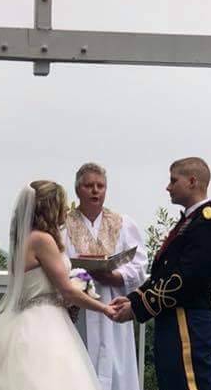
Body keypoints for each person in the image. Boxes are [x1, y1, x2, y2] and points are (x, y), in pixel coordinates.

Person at [0, 180, 115, 390]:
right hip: (43, 323)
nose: (67, 208)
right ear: (52, 207)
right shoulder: (42, 240)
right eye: (63, 203)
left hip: (26, 318)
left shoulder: (26, 238)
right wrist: (104, 308)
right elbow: (66, 290)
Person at [111, 157, 211, 390]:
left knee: (190, 384)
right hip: (172, 320)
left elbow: (183, 281)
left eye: (174, 180)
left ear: (192, 181)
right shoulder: (188, 223)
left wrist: (139, 307)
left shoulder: (207, 226)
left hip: (187, 321)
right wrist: (134, 298)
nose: (168, 187)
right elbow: (163, 275)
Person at [62, 163, 147, 390]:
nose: (95, 191)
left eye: (100, 186)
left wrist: (116, 276)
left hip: (113, 305)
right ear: (78, 189)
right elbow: (57, 263)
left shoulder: (123, 224)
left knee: (117, 366)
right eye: (89, 186)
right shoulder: (64, 226)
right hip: (79, 308)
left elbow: (140, 264)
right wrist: (79, 274)